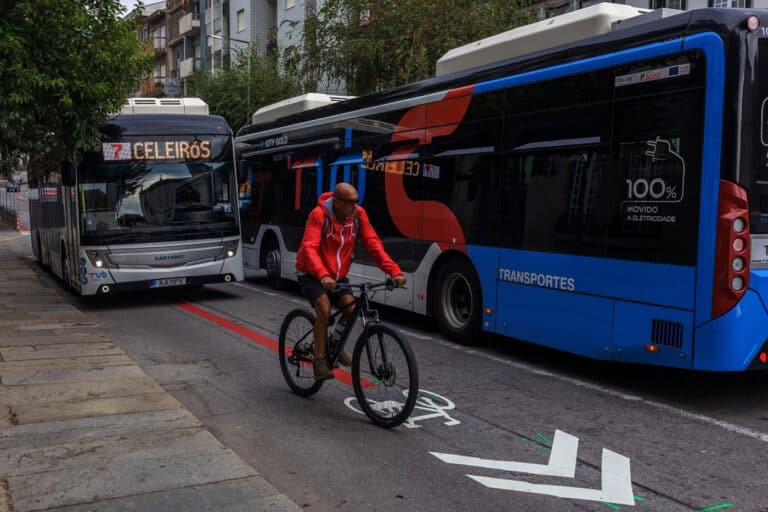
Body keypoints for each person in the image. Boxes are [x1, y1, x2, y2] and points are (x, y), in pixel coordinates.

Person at [296, 182, 407, 381]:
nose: (354, 206)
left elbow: (373, 244)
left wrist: (394, 271)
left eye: (356, 201)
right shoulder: (319, 215)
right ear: (337, 202)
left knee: (351, 309)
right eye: (349, 202)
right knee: (324, 309)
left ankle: (333, 342)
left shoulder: (358, 216)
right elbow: (309, 247)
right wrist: (322, 274)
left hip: (337, 276)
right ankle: (319, 360)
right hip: (311, 272)